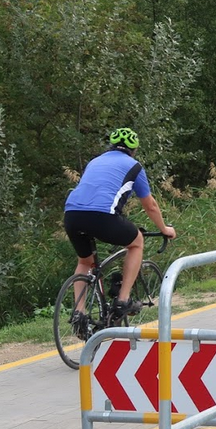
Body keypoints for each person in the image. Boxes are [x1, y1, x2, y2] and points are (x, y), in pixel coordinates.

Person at [63, 128, 176, 338]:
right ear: (133, 150)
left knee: (85, 262)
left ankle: (79, 314)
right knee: (136, 242)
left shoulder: (94, 161)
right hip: (102, 216)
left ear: (111, 146)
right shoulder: (134, 166)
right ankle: (122, 301)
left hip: (72, 214)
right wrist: (164, 229)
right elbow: (150, 205)